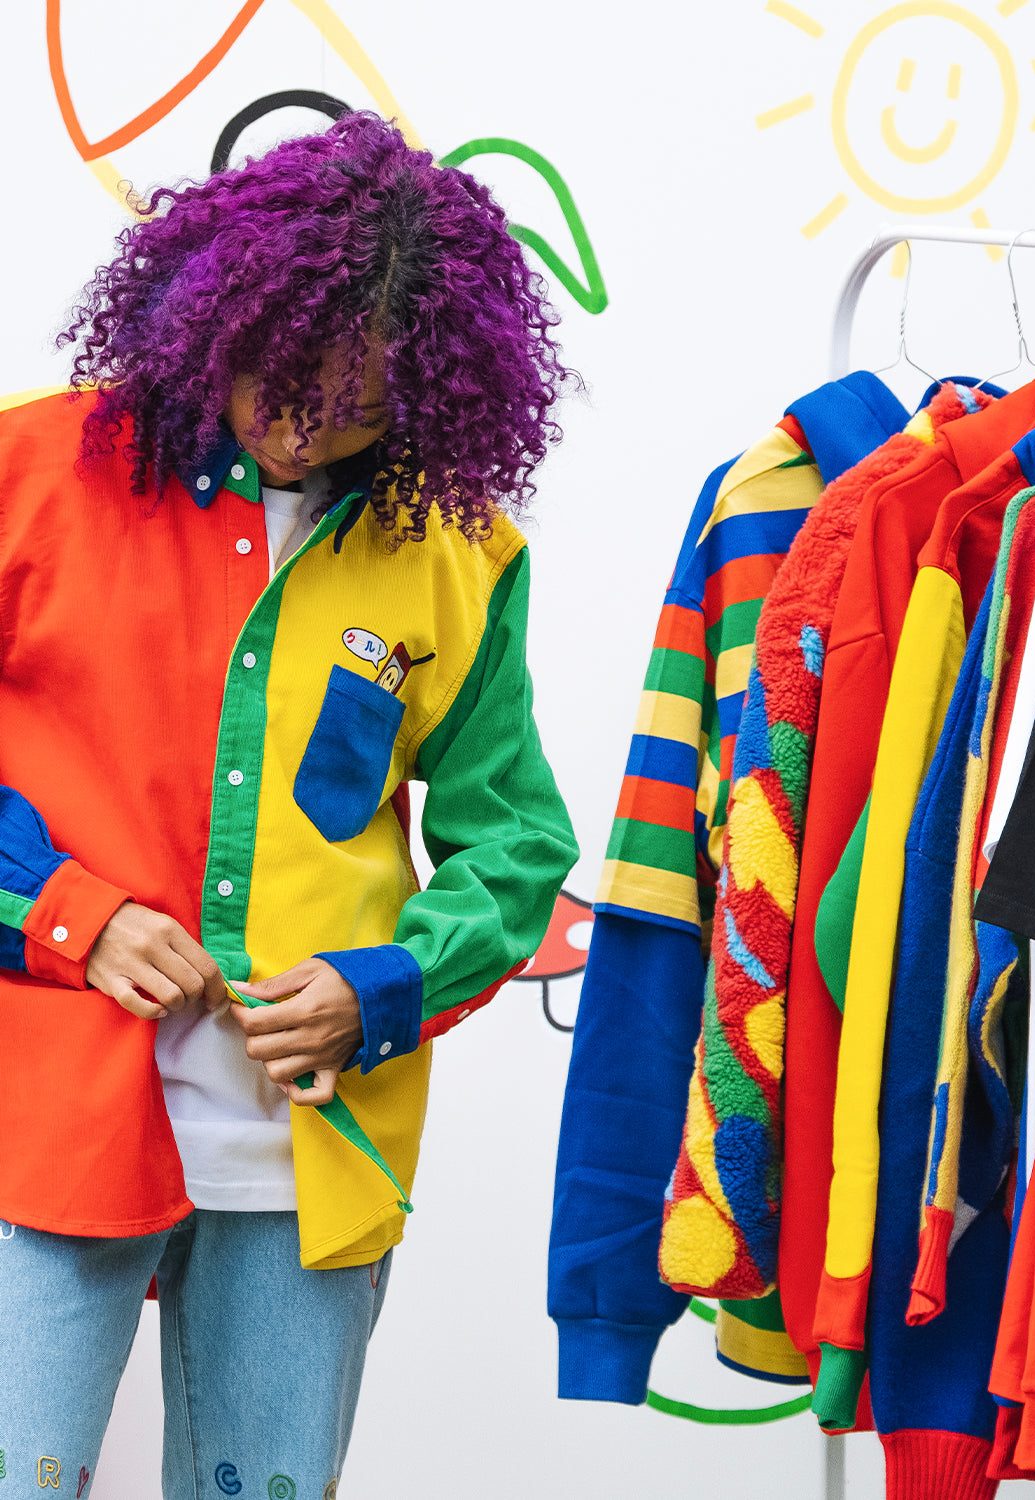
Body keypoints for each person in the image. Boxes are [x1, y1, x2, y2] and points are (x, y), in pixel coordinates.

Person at [0, 111, 578, 1499]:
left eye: (360, 401)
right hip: (46, 1121)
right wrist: (67, 912)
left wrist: (383, 986)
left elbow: (515, 843)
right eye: (288, 372)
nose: (304, 421)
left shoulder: (461, 555)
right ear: (224, 309)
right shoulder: (32, 473)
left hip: (312, 1146)